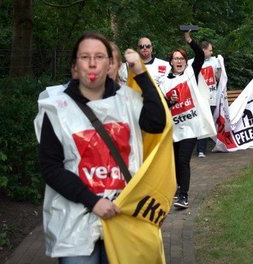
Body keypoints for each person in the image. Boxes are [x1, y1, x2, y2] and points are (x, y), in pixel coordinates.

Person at [34, 32, 166, 263]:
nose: (93, 63)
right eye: (85, 57)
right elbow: (50, 167)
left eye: (100, 57)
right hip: (76, 222)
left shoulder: (129, 101)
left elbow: (157, 123)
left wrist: (142, 74)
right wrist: (92, 201)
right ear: (74, 67)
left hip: (122, 215)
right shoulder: (57, 109)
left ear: (110, 64)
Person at [158, 30, 206, 209]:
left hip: (191, 127)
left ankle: (183, 195)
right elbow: (162, 108)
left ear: (186, 62)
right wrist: (169, 102)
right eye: (175, 59)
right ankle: (179, 188)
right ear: (171, 61)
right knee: (176, 161)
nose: (179, 61)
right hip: (173, 128)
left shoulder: (190, 73)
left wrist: (189, 40)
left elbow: (200, 55)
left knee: (183, 160)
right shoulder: (163, 81)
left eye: (182, 59)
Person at [190, 40, 221, 158]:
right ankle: (200, 149)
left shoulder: (214, 61)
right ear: (203, 50)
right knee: (200, 122)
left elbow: (219, 78)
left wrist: (220, 68)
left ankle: (201, 148)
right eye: (210, 50)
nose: (212, 52)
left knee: (206, 122)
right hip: (199, 98)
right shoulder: (192, 62)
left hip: (212, 98)